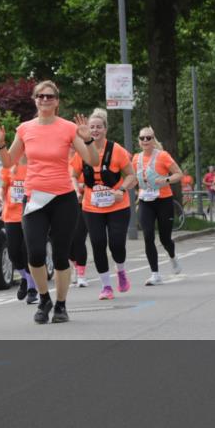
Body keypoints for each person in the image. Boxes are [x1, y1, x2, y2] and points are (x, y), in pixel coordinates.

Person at [0, 80, 96, 324]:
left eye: (49, 97)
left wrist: (87, 139)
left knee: (59, 255)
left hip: (63, 198)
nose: (44, 100)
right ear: (35, 100)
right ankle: (44, 298)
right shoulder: (25, 129)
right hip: (34, 197)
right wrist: (0, 143)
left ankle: (61, 305)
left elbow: (91, 160)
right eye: (40, 96)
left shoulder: (68, 128)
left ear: (57, 101)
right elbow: (8, 161)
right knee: (34, 252)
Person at [69, 108, 136, 301]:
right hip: (92, 206)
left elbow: (131, 175)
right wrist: (76, 189)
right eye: (92, 127)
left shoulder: (117, 151)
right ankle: (106, 286)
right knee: (98, 243)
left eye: (99, 127)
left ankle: (121, 271)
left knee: (116, 245)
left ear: (105, 129)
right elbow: (72, 174)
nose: (95, 130)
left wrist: (121, 190)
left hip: (117, 205)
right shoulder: (82, 150)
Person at [132, 128, 184, 286]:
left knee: (165, 238)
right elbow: (135, 179)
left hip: (164, 200)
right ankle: (155, 274)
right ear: (139, 141)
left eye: (149, 138)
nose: (145, 140)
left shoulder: (163, 155)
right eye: (142, 138)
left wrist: (166, 180)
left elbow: (179, 174)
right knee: (148, 236)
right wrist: (136, 196)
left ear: (154, 140)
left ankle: (173, 257)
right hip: (145, 202)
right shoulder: (135, 159)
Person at [0, 153, 38, 302]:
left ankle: (32, 289)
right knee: (13, 253)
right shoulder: (9, 166)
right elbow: (3, 188)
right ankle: (25, 279)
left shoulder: (35, 165)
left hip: (31, 214)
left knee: (28, 252)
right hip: (11, 216)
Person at [68, 160, 90, 289]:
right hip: (65, 205)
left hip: (83, 204)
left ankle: (81, 275)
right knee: (67, 240)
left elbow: (94, 181)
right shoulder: (61, 161)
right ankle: (75, 266)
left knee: (78, 238)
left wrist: (80, 186)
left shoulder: (82, 160)